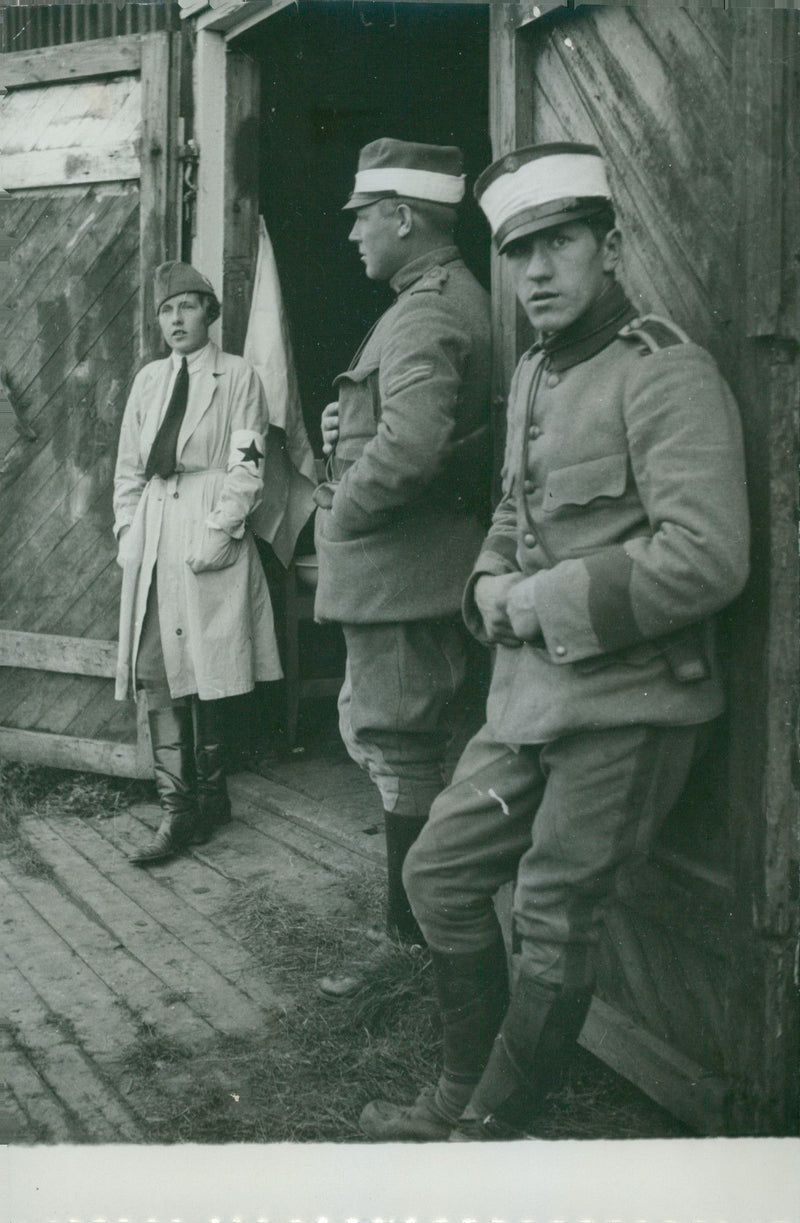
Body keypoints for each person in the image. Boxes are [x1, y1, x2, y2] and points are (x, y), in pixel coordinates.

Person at [359, 142, 750, 1139]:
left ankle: (485, 1122)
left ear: (607, 246)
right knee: (437, 872)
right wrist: (487, 577)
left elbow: (707, 559)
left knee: (550, 908)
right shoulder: (534, 371)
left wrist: (539, 603)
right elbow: (511, 509)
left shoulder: (663, 374)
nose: (534, 270)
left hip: (633, 705)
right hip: (531, 701)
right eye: (518, 248)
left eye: (558, 242)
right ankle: (463, 1086)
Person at [313, 138, 492, 993]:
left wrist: (339, 514)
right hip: (413, 574)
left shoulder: (426, 310)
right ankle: (419, 937)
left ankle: (409, 948)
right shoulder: (434, 298)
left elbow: (412, 447)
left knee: (404, 754)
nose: (352, 235)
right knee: (406, 747)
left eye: (362, 219)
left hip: (403, 579)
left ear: (403, 216)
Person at [114, 262, 282, 866]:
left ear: (209, 313)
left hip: (208, 524)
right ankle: (177, 809)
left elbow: (248, 464)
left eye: (188, 307)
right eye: (167, 310)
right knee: (158, 667)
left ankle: (211, 796)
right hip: (158, 527)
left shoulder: (238, 377)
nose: (177, 319)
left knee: (209, 665)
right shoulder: (149, 382)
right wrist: (128, 530)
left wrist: (224, 526)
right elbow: (130, 469)